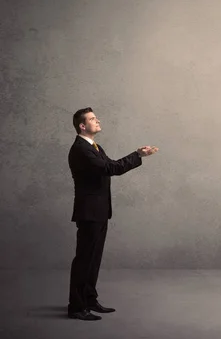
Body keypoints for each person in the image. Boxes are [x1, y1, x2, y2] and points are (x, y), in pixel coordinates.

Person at [67, 107, 159, 321]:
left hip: (99, 212)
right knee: (84, 260)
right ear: (82, 126)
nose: (97, 121)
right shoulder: (81, 149)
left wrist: (137, 155)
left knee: (94, 259)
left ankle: (89, 299)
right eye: (92, 119)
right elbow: (111, 169)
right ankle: (76, 307)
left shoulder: (94, 147)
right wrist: (137, 155)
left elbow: (110, 165)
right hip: (89, 213)